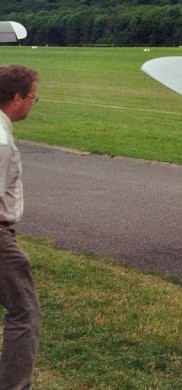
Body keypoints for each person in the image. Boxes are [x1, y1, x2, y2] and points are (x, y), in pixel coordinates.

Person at [0, 64, 41, 388]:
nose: (33, 103)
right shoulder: (0, 142)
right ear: (17, 97)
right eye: (32, 97)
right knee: (24, 314)